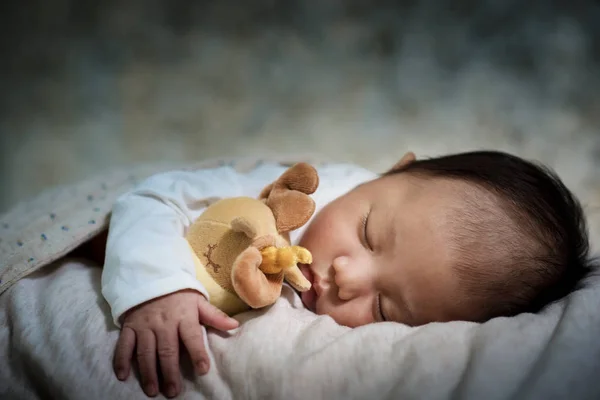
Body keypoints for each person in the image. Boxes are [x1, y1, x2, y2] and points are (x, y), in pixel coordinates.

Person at [101, 150, 593, 398]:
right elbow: (155, 196)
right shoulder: (296, 194)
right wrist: (156, 288)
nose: (347, 276)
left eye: (384, 307)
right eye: (368, 232)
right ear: (394, 171)